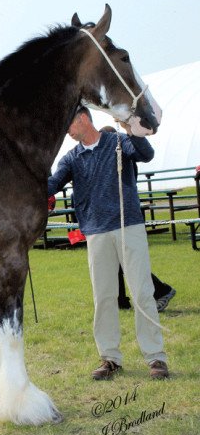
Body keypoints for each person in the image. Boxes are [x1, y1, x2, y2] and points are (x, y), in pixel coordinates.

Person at [48, 107, 168, 380]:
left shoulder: (117, 142)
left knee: (141, 294)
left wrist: (134, 133)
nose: (66, 130)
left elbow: (146, 154)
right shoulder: (71, 158)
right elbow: (51, 184)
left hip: (129, 226)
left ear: (83, 118)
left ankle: (156, 358)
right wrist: (24, 174)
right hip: (96, 233)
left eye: (68, 122)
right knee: (103, 298)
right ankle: (110, 358)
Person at [99, 126, 177, 313]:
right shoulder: (118, 156)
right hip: (115, 215)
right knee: (117, 262)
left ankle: (161, 290)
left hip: (124, 215)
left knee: (129, 262)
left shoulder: (123, 155)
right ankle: (121, 300)